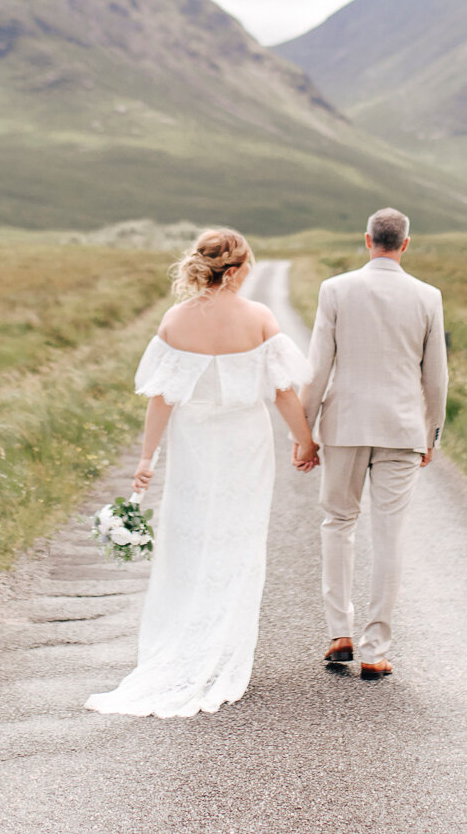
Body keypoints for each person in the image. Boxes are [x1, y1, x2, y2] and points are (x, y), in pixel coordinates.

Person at [86, 227, 320, 718]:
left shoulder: (175, 320)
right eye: (249, 264)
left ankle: (187, 639)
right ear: (234, 271)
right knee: (238, 538)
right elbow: (282, 391)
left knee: (190, 537)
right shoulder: (258, 317)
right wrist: (304, 438)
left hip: (192, 441)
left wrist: (147, 459)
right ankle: (223, 644)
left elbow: (161, 397)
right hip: (244, 441)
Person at [300, 207, 447, 679]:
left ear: (367, 240)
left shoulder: (335, 289)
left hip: (343, 425)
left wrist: (305, 433)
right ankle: (374, 649)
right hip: (403, 430)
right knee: (389, 534)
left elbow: (317, 367)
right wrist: (432, 434)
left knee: (338, 523)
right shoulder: (429, 296)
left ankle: (338, 632)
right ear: (405, 244)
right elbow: (436, 377)